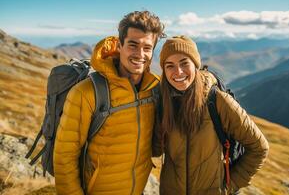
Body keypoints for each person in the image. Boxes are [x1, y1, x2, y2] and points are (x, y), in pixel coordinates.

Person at [53, 11, 165, 195]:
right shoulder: (86, 92)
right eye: (133, 45)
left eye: (147, 47)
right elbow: (65, 156)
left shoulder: (154, 90)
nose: (140, 54)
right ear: (119, 45)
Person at [153, 36, 269, 195]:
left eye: (184, 63)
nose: (178, 72)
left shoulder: (217, 100)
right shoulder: (162, 101)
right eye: (170, 65)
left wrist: (228, 185)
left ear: (196, 65)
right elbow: (155, 149)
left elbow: (259, 147)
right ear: (164, 70)